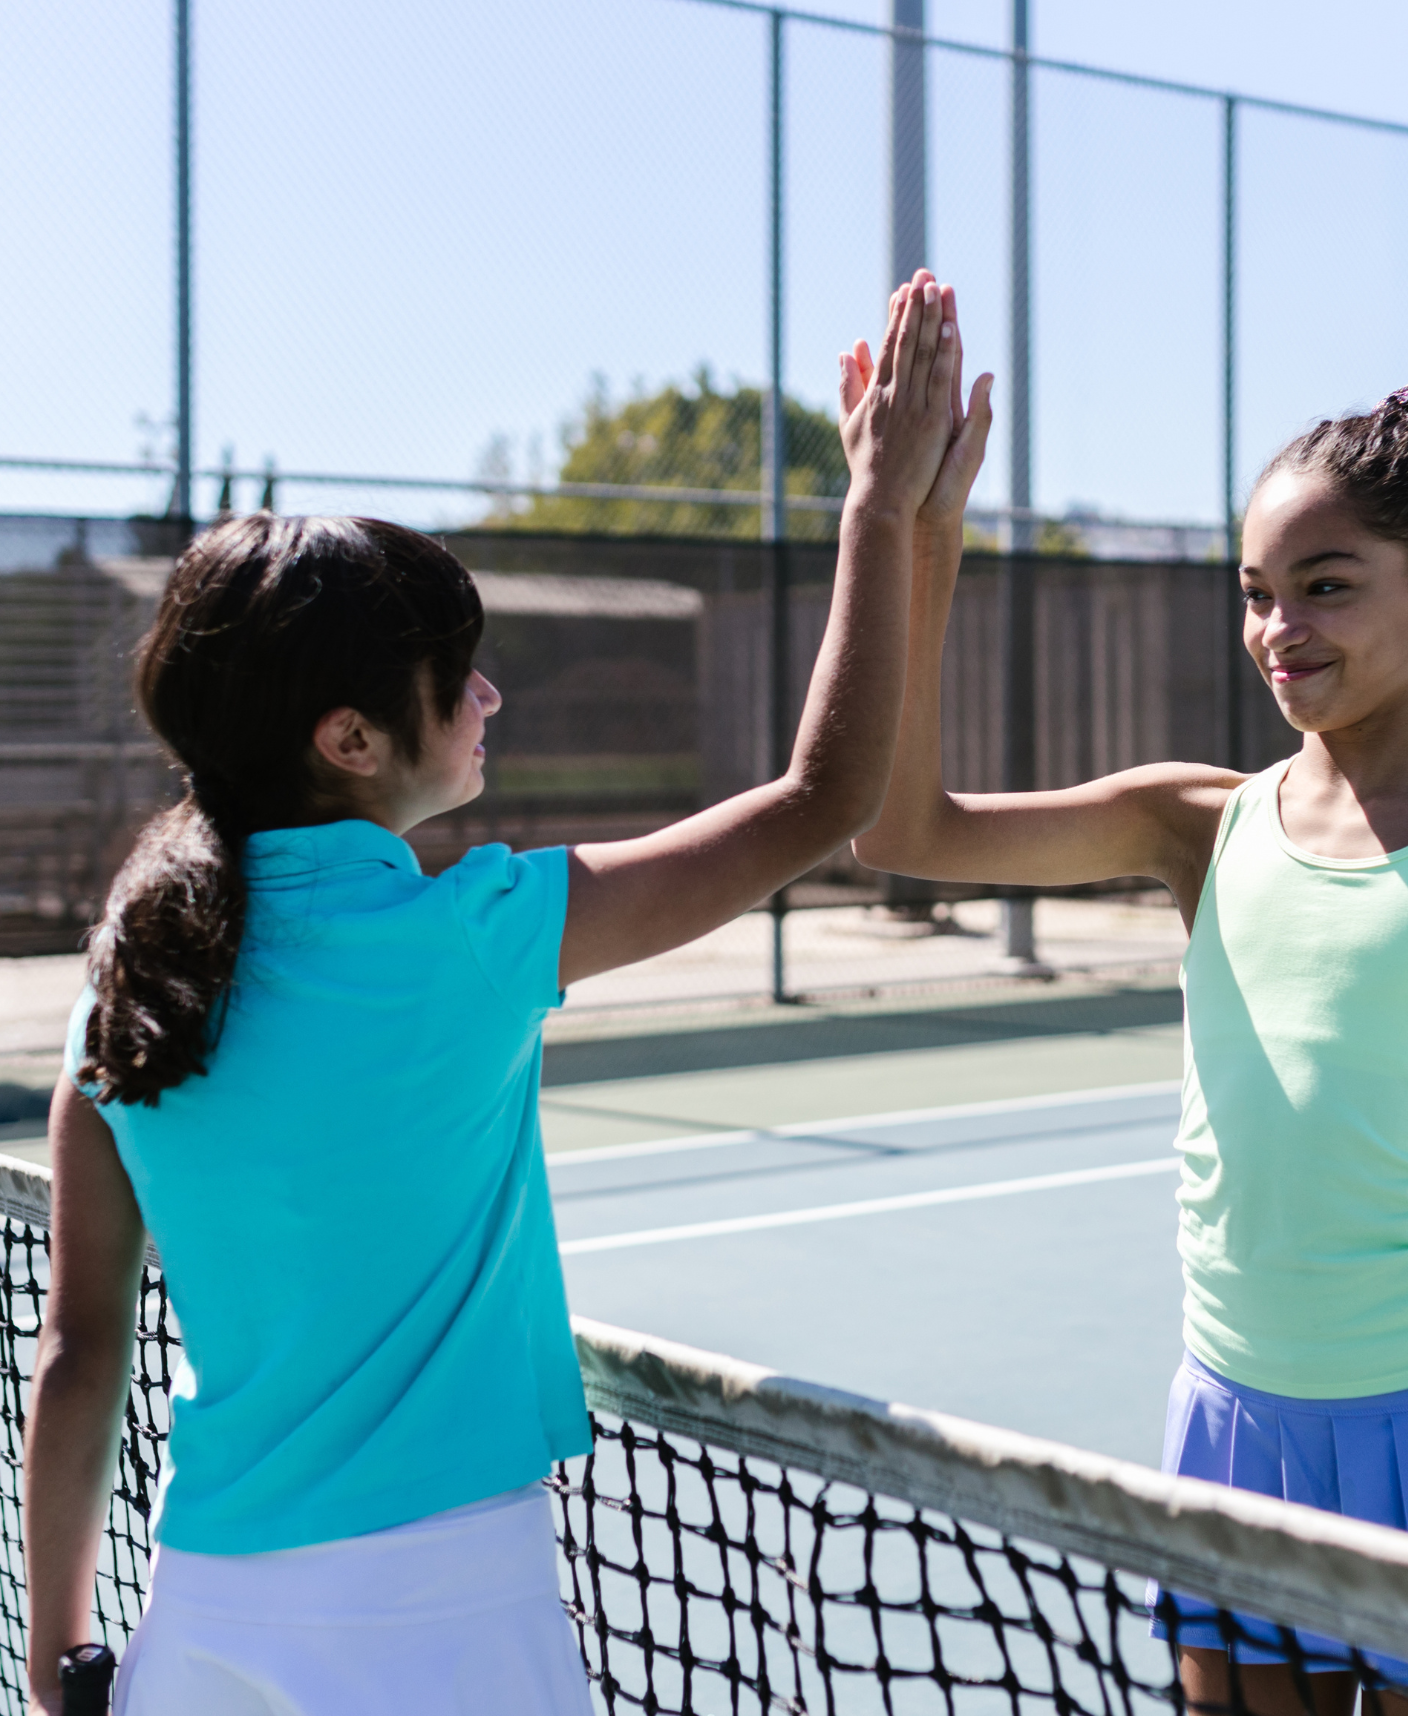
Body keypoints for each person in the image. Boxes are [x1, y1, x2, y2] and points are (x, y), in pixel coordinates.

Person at [23, 275, 992, 1716]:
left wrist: (54, 1660)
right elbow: (825, 799)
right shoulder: (472, 934)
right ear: (351, 737)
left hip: (202, 1613)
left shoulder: (131, 975)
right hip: (442, 1614)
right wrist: (881, 510)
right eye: (458, 680)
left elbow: (80, 1346)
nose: (488, 703)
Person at [849, 358, 1408, 1711]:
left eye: (1325, 585)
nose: (1278, 627)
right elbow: (900, 829)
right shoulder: (1193, 820)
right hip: (1236, 1422)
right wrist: (920, 535)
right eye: (1255, 592)